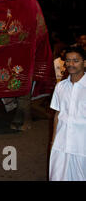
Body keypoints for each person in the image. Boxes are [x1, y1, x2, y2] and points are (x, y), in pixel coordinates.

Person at [49, 46, 86, 181]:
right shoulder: (60, 87)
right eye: (68, 61)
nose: (71, 64)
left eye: (75, 60)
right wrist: (53, 141)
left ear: (84, 62)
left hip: (81, 146)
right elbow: (57, 115)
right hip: (61, 144)